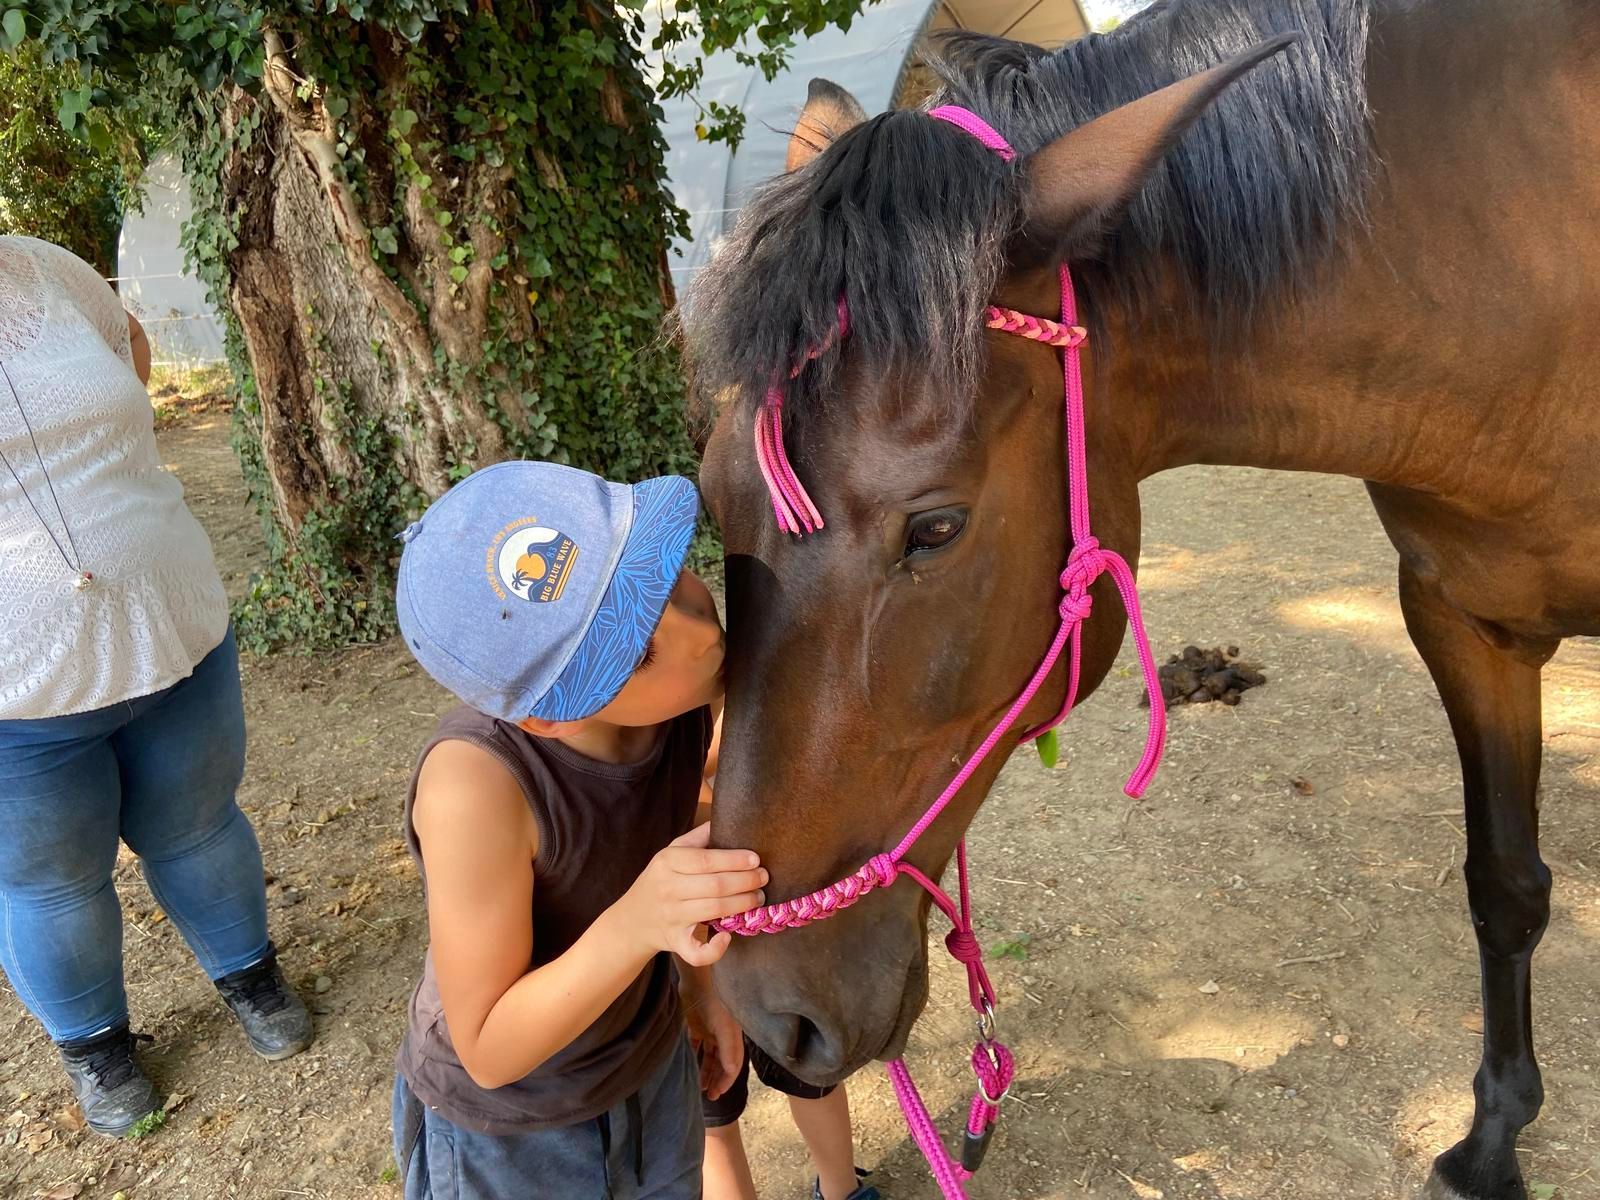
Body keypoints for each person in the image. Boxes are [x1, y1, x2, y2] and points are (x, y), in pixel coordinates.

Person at [0, 235, 311, 1137]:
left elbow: (128, 340)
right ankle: (96, 1050)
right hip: (19, 696)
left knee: (200, 825)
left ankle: (251, 978)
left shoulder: (41, 268)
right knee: (53, 884)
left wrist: (117, 464)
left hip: (176, 625)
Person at [390, 460, 761, 1199]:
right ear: (550, 715)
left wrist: (703, 991)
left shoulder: (680, 701)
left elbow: (653, 847)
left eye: (668, 576)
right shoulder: (477, 787)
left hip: (650, 1067)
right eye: (638, 650)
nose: (699, 634)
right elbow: (491, 1049)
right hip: (514, 1135)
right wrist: (639, 923)